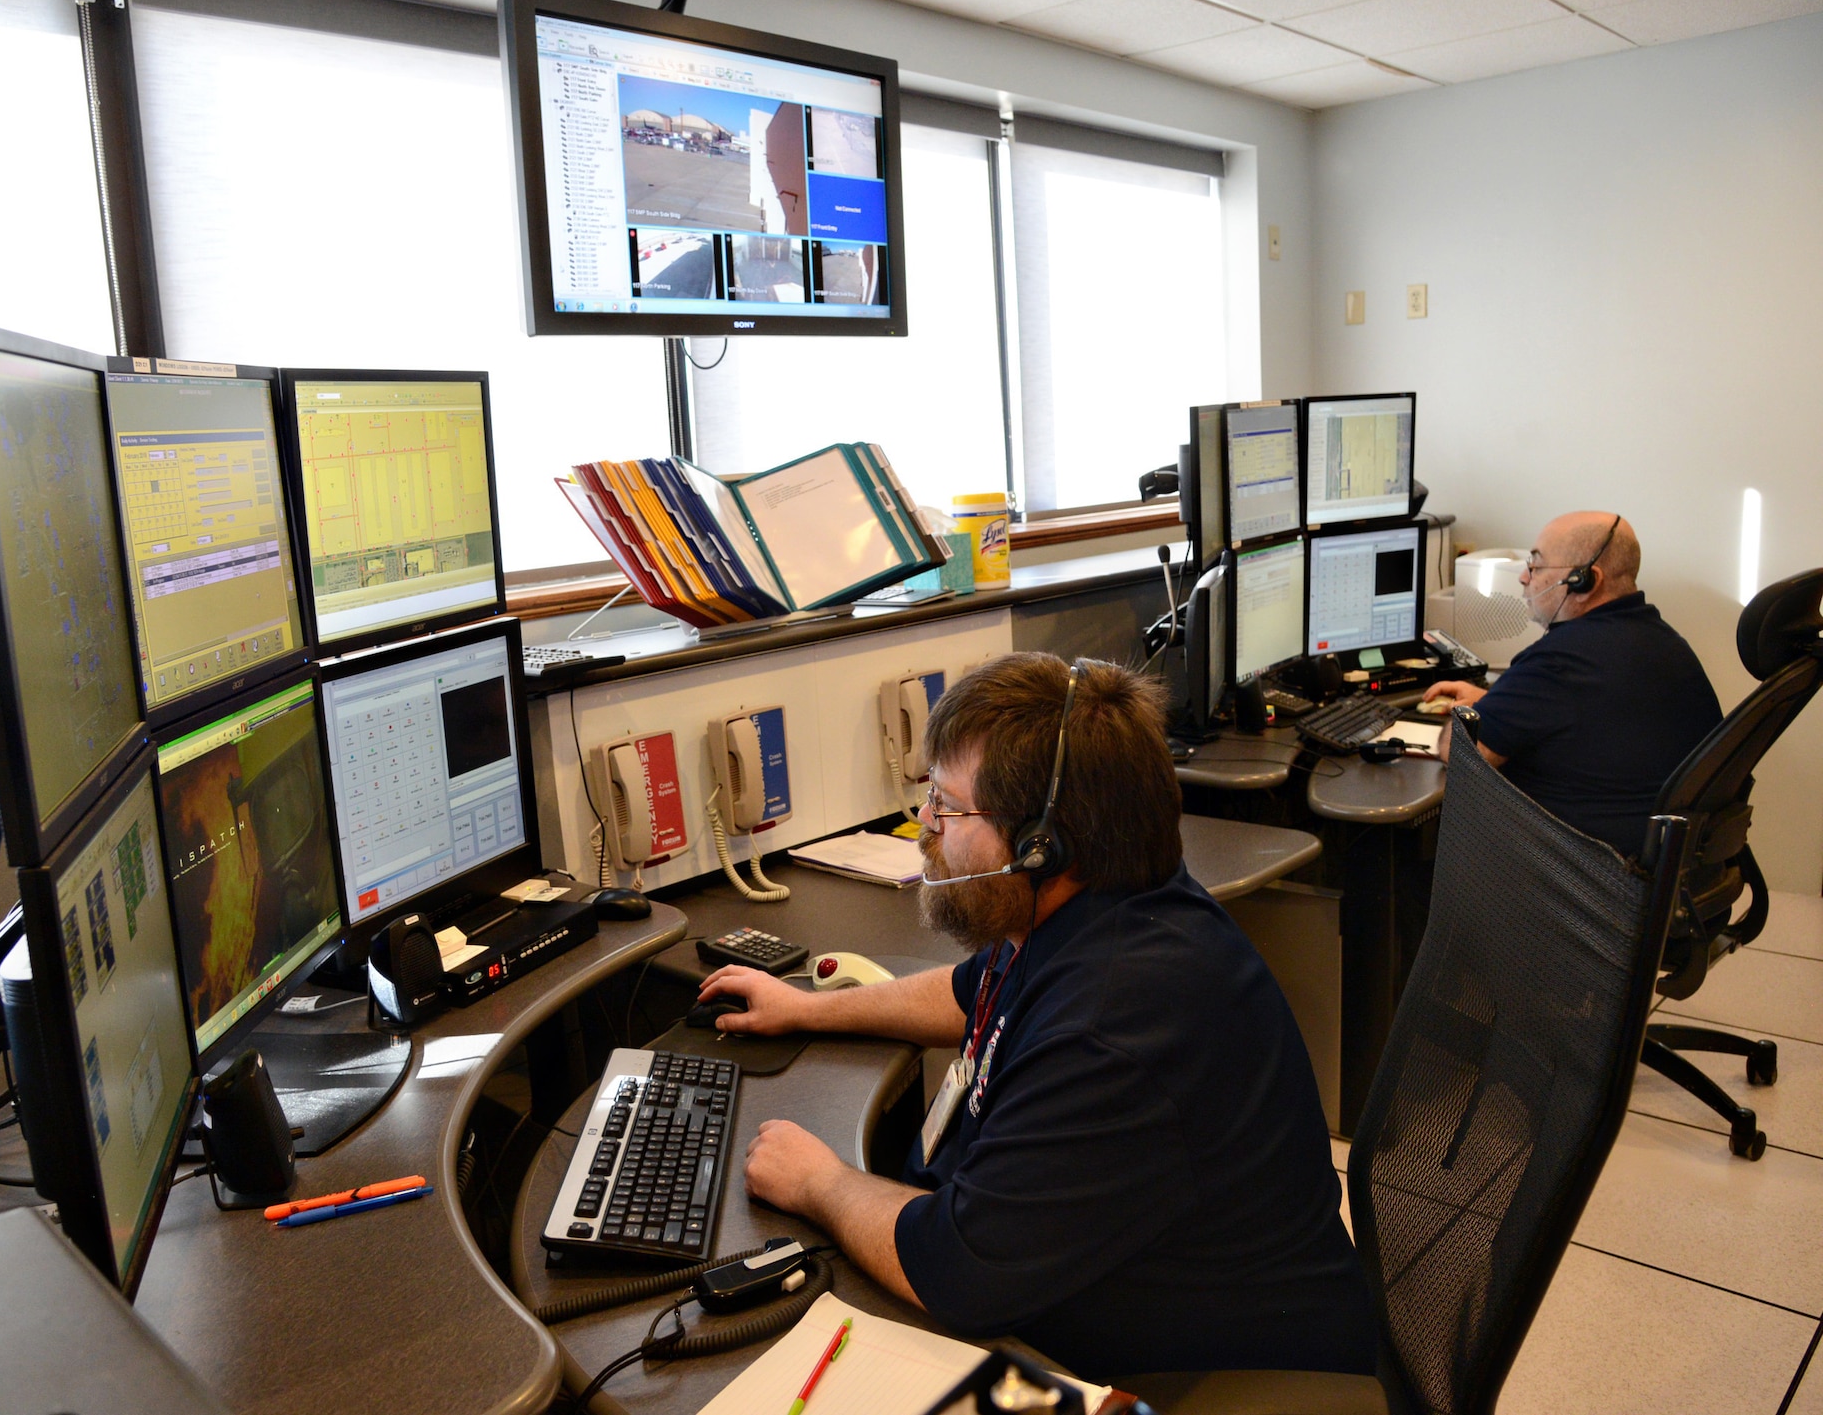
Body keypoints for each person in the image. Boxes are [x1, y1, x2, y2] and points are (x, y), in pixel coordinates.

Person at [696, 654, 1375, 1382]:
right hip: (1102, 1294)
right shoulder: (1090, 903)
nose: (925, 823)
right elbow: (966, 993)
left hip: (1215, 1377)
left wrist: (819, 1183)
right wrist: (812, 1007)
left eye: (949, 806)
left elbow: (955, 1269)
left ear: (1039, 844)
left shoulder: (1113, 1028)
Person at [1424, 512, 1724, 855]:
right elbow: (1593, 712)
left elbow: (1462, 751)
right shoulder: (1660, 640)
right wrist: (1495, 700)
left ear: (1584, 581)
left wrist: (1472, 710)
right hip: (1662, 871)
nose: (1523, 578)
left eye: (1536, 566)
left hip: (1586, 877)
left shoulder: (1561, 661)